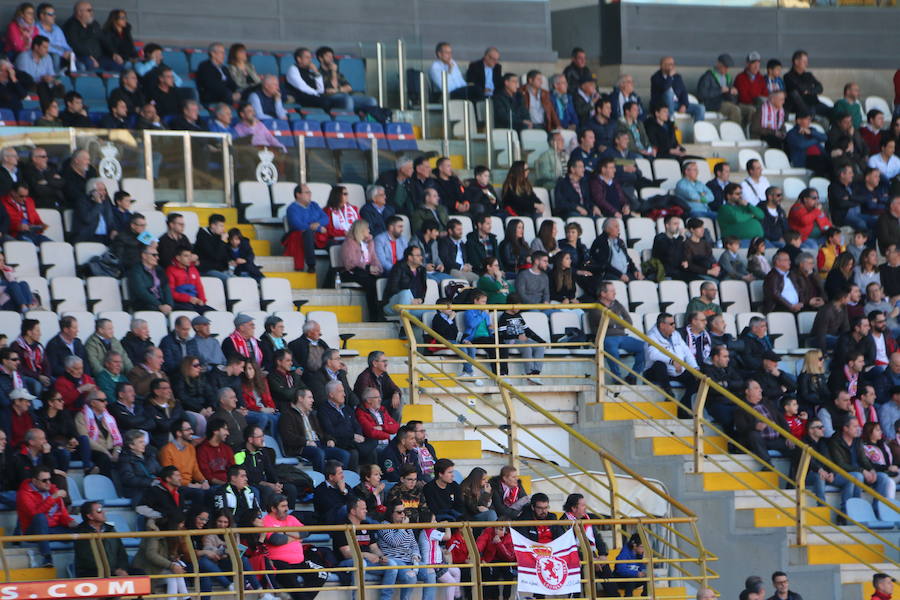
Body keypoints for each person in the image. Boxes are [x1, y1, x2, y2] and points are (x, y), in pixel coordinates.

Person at [829, 415, 893, 512]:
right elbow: (840, 464)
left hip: (860, 473)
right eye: (854, 427)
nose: (858, 429)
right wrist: (862, 471)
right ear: (845, 428)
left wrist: (871, 470)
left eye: (858, 426)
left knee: (883, 477)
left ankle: (877, 510)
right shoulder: (835, 441)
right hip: (841, 473)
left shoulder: (857, 441)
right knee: (857, 476)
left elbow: (863, 460)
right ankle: (853, 511)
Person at [17, 465, 77, 566]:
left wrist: (70, 522)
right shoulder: (24, 494)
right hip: (33, 530)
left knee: (81, 529)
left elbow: (62, 513)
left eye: (49, 479)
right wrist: (52, 498)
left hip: (53, 529)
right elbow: (35, 514)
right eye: (44, 480)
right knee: (40, 517)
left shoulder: (53, 490)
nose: (48, 483)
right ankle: (47, 557)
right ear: (34, 481)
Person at [645, 313, 698, 415]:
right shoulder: (651, 336)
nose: (674, 326)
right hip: (656, 372)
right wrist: (672, 361)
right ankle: (668, 394)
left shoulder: (676, 335)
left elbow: (687, 352)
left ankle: (683, 407)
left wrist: (695, 367)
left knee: (696, 379)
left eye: (674, 323)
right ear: (662, 325)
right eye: (671, 324)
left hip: (677, 371)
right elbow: (653, 355)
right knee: (659, 365)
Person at [73, 501, 130, 577]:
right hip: (92, 572)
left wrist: (122, 569)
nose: (103, 512)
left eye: (102, 510)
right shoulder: (81, 532)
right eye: (99, 511)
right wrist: (114, 571)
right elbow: (87, 559)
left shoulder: (110, 529)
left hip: (115, 570)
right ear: (90, 516)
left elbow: (121, 552)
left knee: (139, 573)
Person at [497, 294, 546, 383]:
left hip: (522, 339)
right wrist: (517, 336)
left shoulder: (518, 315)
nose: (519, 308)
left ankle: (536, 373)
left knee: (540, 347)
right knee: (526, 347)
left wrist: (541, 341)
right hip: (511, 340)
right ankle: (529, 373)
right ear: (511, 304)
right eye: (518, 305)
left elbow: (527, 330)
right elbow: (502, 334)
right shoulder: (504, 317)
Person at [63, 1, 119, 72]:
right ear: (79, 12)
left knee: (117, 66)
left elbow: (104, 40)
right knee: (90, 64)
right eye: (89, 10)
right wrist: (89, 56)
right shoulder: (70, 26)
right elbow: (75, 45)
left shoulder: (94, 24)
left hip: (99, 57)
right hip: (82, 57)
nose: (92, 13)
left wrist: (113, 53)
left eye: (92, 10)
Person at [650, 55, 704, 122]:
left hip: (677, 104)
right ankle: (670, 120)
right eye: (669, 64)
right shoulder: (656, 77)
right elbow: (665, 87)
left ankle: (698, 128)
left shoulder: (677, 77)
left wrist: (684, 104)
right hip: (662, 105)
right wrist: (669, 76)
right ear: (662, 66)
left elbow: (684, 91)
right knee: (669, 92)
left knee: (700, 108)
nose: (672, 66)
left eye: (673, 64)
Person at [15, 35, 64, 108]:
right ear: (36, 47)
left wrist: (53, 80)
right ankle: (47, 108)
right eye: (44, 47)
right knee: (40, 86)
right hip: (29, 86)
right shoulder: (24, 57)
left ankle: (55, 108)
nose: (47, 50)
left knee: (60, 87)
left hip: (45, 86)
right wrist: (41, 79)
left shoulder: (48, 57)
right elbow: (23, 79)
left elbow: (51, 75)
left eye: (47, 47)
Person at [127, 246, 173, 315]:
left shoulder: (159, 270)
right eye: (154, 255)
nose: (157, 258)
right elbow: (141, 292)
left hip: (161, 304)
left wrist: (169, 305)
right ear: (144, 255)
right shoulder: (135, 271)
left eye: (157, 255)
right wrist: (159, 305)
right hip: (144, 304)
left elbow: (166, 288)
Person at [384, 245, 427, 319]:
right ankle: (404, 328)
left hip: (412, 306)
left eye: (421, 255)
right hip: (393, 305)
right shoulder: (399, 267)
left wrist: (420, 299)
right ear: (410, 257)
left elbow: (423, 289)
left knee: (434, 311)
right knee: (406, 293)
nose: (421, 257)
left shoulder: (421, 270)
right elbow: (393, 288)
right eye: (418, 255)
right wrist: (409, 299)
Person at [696, 53, 740, 124]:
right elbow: (701, 95)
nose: (726, 70)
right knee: (734, 110)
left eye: (727, 67)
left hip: (724, 103)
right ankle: (734, 132)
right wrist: (720, 91)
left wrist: (732, 93)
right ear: (718, 64)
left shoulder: (727, 77)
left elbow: (730, 97)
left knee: (737, 108)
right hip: (712, 105)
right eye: (724, 67)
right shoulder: (708, 77)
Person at [784, 50, 829, 118]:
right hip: (802, 108)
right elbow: (799, 89)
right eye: (804, 62)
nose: (807, 64)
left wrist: (809, 91)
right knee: (821, 120)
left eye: (807, 62)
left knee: (834, 113)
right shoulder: (788, 76)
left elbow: (820, 88)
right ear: (796, 62)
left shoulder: (809, 75)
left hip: (816, 104)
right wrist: (811, 88)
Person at [613, 533, 647, 598]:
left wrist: (645, 573)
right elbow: (621, 570)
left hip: (632, 580)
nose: (644, 550)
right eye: (642, 547)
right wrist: (636, 573)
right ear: (634, 546)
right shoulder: (624, 554)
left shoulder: (640, 555)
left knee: (648, 578)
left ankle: (645, 597)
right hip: (620, 581)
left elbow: (641, 569)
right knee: (631, 579)